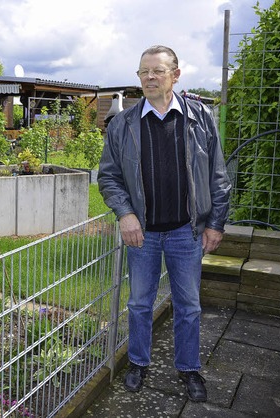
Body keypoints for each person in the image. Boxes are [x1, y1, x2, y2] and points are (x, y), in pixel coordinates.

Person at [97, 45, 231, 402]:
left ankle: (188, 369)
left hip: (187, 233)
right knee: (140, 303)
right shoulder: (123, 124)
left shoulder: (200, 118)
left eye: (157, 71)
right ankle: (138, 363)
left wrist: (215, 224)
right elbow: (108, 177)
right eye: (144, 72)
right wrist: (125, 214)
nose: (150, 78)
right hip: (143, 233)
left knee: (188, 306)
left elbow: (218, 176)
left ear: (176, 74)